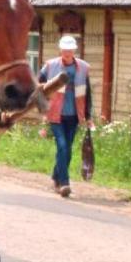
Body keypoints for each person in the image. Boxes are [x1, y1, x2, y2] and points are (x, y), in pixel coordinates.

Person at [38, 35, 93, 198]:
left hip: (74, 114)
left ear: (74, 50)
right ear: (60, 50)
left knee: (67, 150)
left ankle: (56, 177)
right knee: (62, 146)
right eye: (65, 49)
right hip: (55, 114)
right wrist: (43, 110)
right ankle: (64, 183)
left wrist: (88, 116)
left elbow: (87, 92)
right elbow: (38, 87)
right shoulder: (50, 66)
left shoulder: (83, 67)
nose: (67, 52)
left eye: (70, 49)